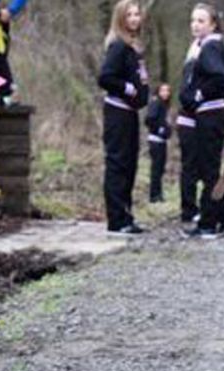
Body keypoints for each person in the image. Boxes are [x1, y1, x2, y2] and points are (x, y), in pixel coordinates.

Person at [180, 3, 224, 240]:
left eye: (201, 21)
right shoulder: (201, 46)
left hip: (211, 113)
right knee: (209, 169)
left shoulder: (211, 46)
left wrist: (199, 95)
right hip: (207, 114)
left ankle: (207, 224)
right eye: (193, 20)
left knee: (209, 171)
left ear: (212, 24)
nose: (195, 25)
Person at [97, 0, 150, 235]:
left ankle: (126, 217)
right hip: (117, 113)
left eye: (137, 14)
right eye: (129, 15)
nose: (134, 19)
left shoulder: (133, 47)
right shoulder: (118, 46)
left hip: (129, 114)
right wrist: (129, 88)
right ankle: (116, 220)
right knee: (118, 164)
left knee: (129, 165)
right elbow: (105, 77)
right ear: (120, 19)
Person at [146, 83, 173, 203]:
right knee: (156, 169)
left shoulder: (164, 105)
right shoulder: (156, 102)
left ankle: (158, 194)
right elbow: (149, 119)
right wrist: (160, 130)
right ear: (158, 91)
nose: (165, 93)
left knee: (160, 169)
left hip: (162, 141)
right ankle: (154, 195)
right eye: (163, 90)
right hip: (155, 140)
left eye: (167, 91)